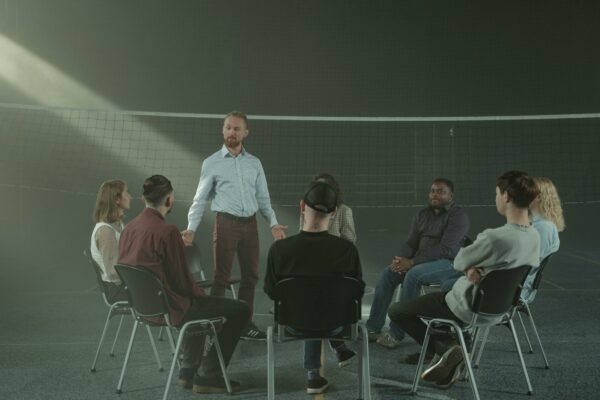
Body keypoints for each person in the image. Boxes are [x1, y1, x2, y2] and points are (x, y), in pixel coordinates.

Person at [388, 170, 541, 389]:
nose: (496, 198)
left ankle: (448, 348)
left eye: (497, 194)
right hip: (501, 309)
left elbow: (459, 261)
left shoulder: (495, 236)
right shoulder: (534, 236)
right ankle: (450, 362)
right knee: (444, 301)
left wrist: (470, 265)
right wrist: (477, 267)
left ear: (506, 196)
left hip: (465, 305)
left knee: (397, 311)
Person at [118, 175, 250, 394]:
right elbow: (182, 283)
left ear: (143, 199)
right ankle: (209, 375)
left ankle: (187, 372)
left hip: (143, 308)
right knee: (240, 309)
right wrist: (202, 295)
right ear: (169, 200)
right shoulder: (167, 231)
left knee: (195, 304)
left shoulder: (129, 229)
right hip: (170, 308)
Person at [181, 111, 287, 340]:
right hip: (225, 224)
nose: (232, 132)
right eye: (228, 127)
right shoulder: (211, 163)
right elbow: (199, 200)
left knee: (251, 276)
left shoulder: (254, 163)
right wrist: (191, 228)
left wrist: (274, 223)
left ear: (245, 133)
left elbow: (263, 199)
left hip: (250, 226)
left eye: (237, 128)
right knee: (221, 276)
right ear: (223, 130)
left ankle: (244, 324)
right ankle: (215, 326)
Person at [264, 181, 364, 395]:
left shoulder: (279, 250)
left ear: (302, 206)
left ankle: (312, 374)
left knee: (306, 307)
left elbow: (272, 291)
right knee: (322, 307)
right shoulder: (347, 251)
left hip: (294, 324)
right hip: (336, 325)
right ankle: (331, 358)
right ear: (335, 212)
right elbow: (357, 292)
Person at [366, 178, 470, 350]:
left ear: (451, 195)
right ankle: (373, 327)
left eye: (441, 191)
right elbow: (411, 243)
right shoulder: (422, 214)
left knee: (414, 274)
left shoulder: (458, 216)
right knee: (387, 273)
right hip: (421, 261)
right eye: (433, 190)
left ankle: (396, 333)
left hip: (448, 263)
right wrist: (400, 259)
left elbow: (445, 249)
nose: (435, 194)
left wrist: (412, 262)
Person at [521, 177, 565, 303]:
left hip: (515, 290)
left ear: (539, 197)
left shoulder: (544, 228)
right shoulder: (535, 224)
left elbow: (527, 264)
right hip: (511, 284)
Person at [90, 180, 132, 303]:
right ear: (116, 200)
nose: (130, 197)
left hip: (125, 285)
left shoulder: (118, 225)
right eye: (127, 193)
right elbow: (113, 273)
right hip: (118, 290)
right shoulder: (105, 231)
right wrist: (136, 283)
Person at [299, 173, 356, 243]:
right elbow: (301, 234)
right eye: (317, 186)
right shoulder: (307, 208)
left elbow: (350, 240)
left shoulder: (344, 210)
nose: (320, 189)